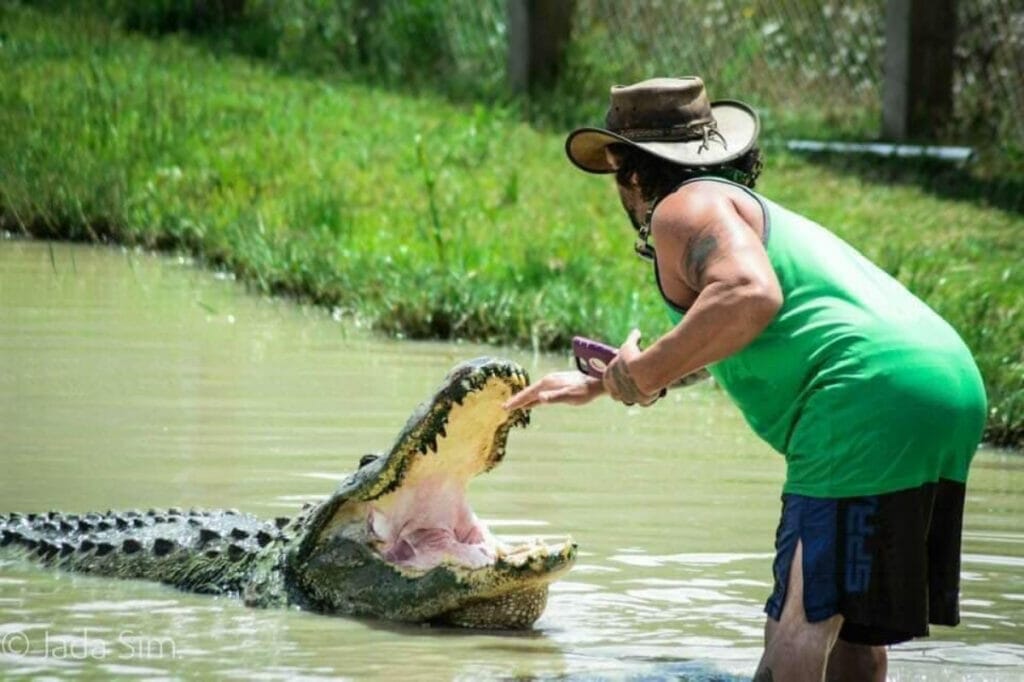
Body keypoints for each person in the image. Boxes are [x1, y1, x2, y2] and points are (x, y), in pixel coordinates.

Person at [503, 77, 987, 681]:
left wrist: (642, 374)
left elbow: (749, 295)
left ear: (630, 172)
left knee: (799, 623)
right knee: (851, 636)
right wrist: (609, 382)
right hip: (947, 388)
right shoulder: (742, 210)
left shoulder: (684, 207)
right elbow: (748, 328)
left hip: (862, 395)